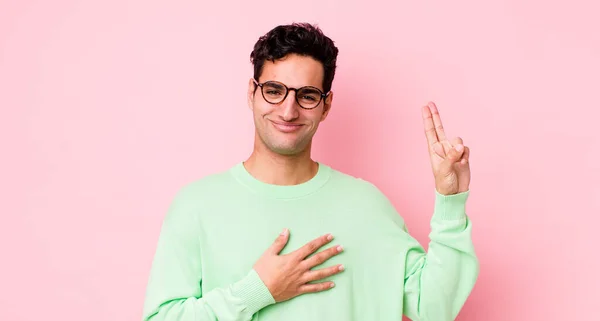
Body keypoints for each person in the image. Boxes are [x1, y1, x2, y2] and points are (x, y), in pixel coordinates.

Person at [142, 22, 479, 321]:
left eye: (306, 95)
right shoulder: (197, 205)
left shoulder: (366, 205)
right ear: (252, 93)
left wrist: (450, 201)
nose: (288, 111)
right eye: (274, 91)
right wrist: (256, 291)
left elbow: (435, 308)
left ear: (326, 105)